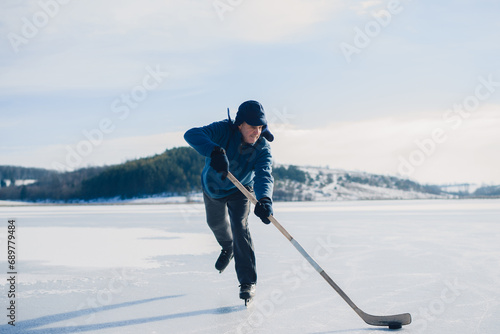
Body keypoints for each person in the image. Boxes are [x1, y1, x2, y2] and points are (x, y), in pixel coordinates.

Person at [184, 100, 274, 302]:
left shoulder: (262, 148)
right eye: (252, 127)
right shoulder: (223, 130)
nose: (257, 132)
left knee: (240, 228)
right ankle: (227, 247)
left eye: (260, 127)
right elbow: (191, 134)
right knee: (215, 223)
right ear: (239, 124)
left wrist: (265, 199)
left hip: (241, 190)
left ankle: (247, 282)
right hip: (213, 189)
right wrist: (214, 150)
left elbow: (264, 175)